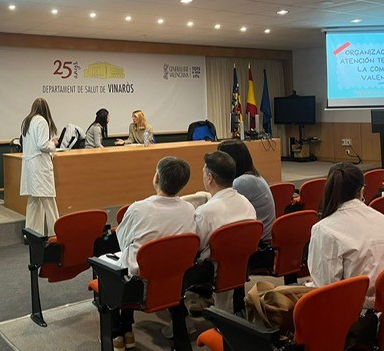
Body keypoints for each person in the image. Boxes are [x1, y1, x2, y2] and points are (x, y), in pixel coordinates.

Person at [111, 156, 197, 351]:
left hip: (138, 287)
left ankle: (119, 332)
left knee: (115, 269)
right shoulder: (189, 209)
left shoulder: (138, 208)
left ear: (156, 177)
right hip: (175, 281)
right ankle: (125, 331)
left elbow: (122, 242)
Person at [308, 162, 384, 308]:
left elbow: (325, 291)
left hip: (361, 318)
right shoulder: (381, 218)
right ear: (361, 190)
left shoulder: (324, 229)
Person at [193, 151, 256, 312]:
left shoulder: (205, 212)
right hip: (242, 265)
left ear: (209, 178)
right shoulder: (247, 203)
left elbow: (194, 247)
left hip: (211, 272)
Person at [217, 139, 275, 244]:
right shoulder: (252, 176)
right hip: (263, 239)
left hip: (259, 244)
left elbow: (222, 213)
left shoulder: (242, 182)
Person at [19, 98, 59, 236]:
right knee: (49, 201)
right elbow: (42, 145)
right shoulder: (42, 121)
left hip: (30, 166)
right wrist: (53, 143)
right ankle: (56, 234)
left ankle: (31, 233)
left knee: (33, 201)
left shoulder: (27, 122)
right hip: (40, 167)